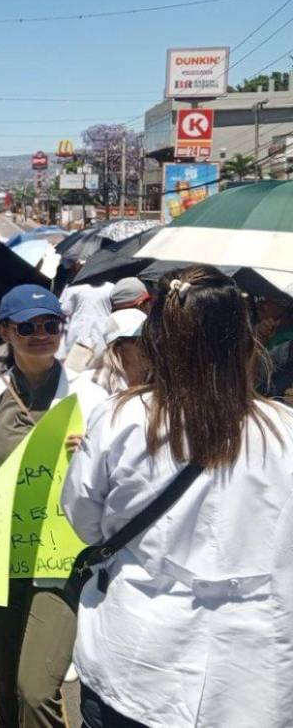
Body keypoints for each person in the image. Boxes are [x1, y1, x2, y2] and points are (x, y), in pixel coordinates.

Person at [63, 267, 293, 728]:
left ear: (156, 341)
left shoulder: (124, 419)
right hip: (251, 675)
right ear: (245, 342)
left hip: (135, 661)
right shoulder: (284, 432)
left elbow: (83, 519)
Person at [0, 285, 108, 728]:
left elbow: (116, 483)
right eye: (27, 326)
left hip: (62, 565)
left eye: (51, 324)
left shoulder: (91, 401)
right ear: (4, 331)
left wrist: (90, 454)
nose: (41, 334)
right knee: (6, 680)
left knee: (36, 689)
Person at [86, 309, 148, 394]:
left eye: (148, 339)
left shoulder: (159, 382)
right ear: (116, 347)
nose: (146, 346)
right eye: (137, 340)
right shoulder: (91, 386)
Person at [58, 274, 113, 370]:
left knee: (72, 372)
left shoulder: (75, 287)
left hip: (78, 336)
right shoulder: (112, 288)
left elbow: (65, 310)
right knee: (92, 372)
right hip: (100, 337)